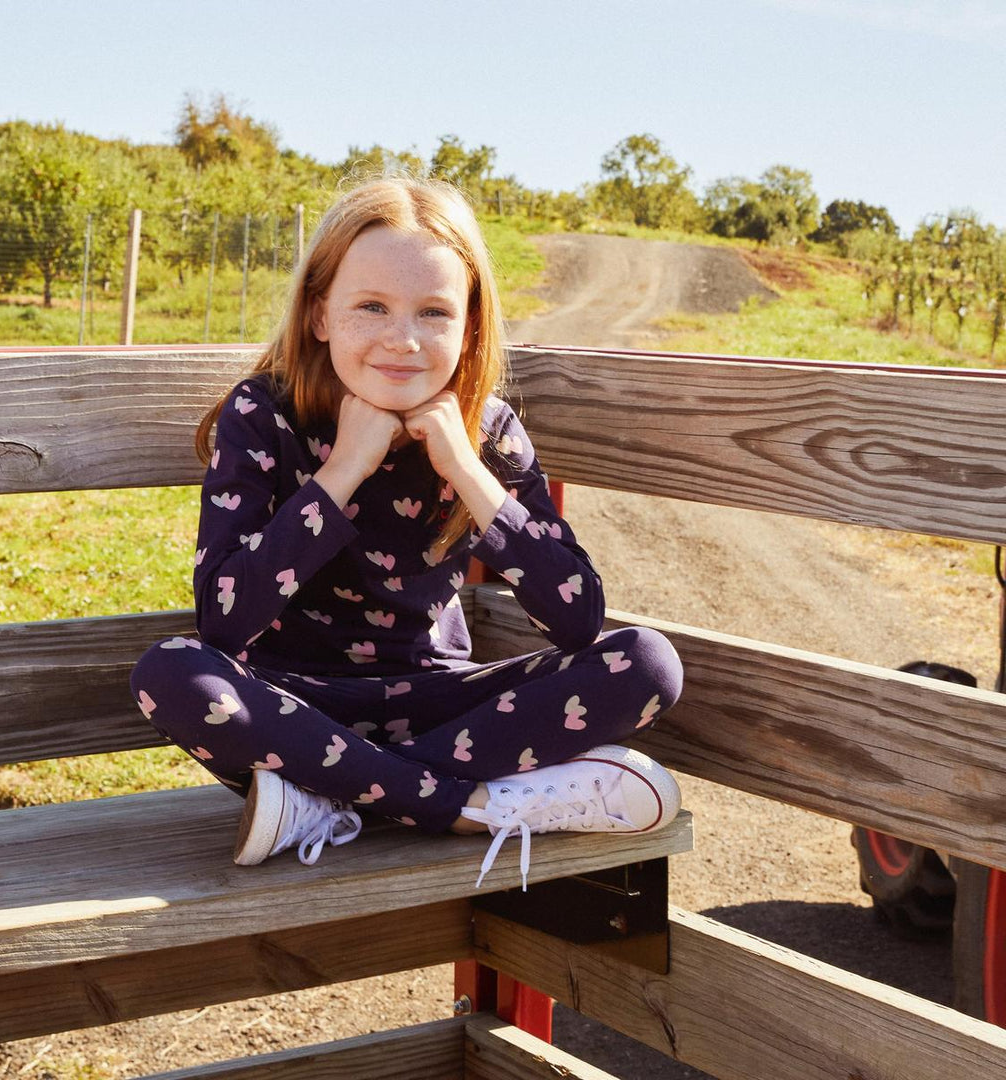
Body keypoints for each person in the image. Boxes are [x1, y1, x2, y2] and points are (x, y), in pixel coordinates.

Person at [130, 176, 684, 890]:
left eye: (434, 312)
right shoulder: (263, 416)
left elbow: (578, 620)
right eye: (371, 307)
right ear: (319, 313)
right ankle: (469, 808)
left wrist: (465, 467)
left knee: (647, 664)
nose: (404, 340)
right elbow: (225, 621)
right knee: (172, 673)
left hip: (445, 708)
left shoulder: (486, 433)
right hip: (297, 711)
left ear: (469, 326)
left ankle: (332, 800)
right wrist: (344, 471)